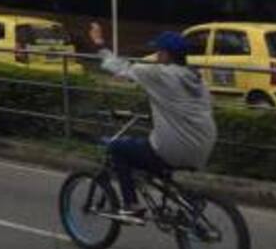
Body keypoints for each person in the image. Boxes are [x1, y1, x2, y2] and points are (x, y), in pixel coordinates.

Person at [89, 21, 217, 223]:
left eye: (158, 51)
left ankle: (131, 206)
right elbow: (184, 107)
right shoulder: (196, 78)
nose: (156, 55)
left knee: (117, 149)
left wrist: (98, 43)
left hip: (174, 148)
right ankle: (187, 200)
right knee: (148, 151)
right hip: (204, 146)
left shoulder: (157, 73)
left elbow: (119, 67)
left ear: (166, 54)